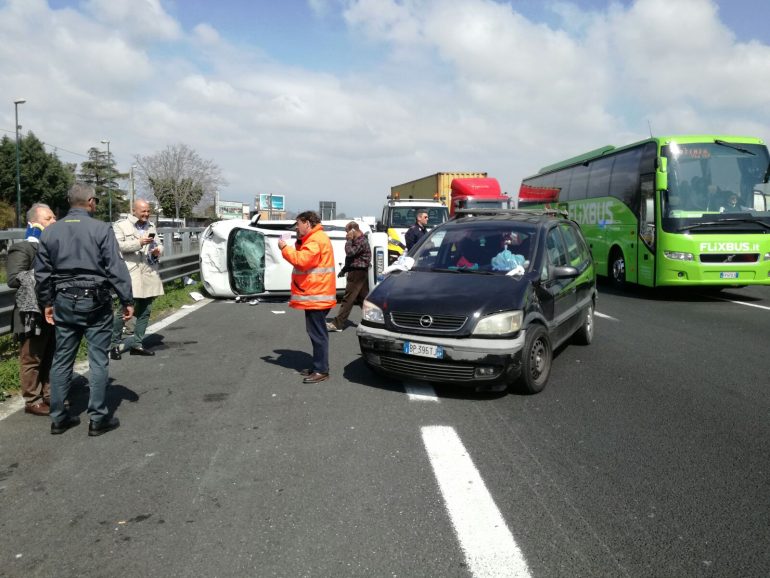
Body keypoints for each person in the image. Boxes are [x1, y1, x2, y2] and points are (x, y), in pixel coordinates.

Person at [34, 183, 134, 436]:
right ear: (91, 201)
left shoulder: (50, 232)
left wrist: (47, 302)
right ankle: (98, 419)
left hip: (64, 300)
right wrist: (127, 300)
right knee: (98, 359)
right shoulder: (101, 229)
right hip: (96, 301)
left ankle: (58, 418)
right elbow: (115, 267)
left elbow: (42, 274)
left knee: (61, 359)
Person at [6, 204, 57, 416]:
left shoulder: (53, 248)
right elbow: (13, 278)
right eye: (48, 218)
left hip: (52, 309)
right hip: (31, 312)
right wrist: (44, 275)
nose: (54, 221)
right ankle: (32, 400)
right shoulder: (24, 248)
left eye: (54, 217)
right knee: (32, 357)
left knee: (51, 355)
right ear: (35, 222)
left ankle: (50, 394)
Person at [277, 211, 336, 384]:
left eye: (298, 224)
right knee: (316, 333)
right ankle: (318, 366)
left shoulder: (316, 239)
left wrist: (284, 248)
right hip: (317, 294)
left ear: (308, 223)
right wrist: (297, 241)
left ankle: (321, 370)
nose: (297, 227)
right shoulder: (315, 238)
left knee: (317, 334)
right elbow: (305, 256)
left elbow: (302, 260)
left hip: (317, 295)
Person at [109, 199, 164, 359]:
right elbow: (118, 246)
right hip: (131, 272)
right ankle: (114, 345)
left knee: (146, 310)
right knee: (124, 310)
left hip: (148, 271)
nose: (147, 214)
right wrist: (139, 242)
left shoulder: (151, 226)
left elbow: (159, 244)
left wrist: (158, 250)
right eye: (143, 211)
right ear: (134, 210)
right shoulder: (120, 225)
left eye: (148, 211)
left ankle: (137, 344)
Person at [326, 221, 371, 332]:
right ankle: (373, 321)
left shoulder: (360, 241)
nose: (346, 235)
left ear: (352, 230)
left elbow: (350, 252)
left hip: (357, 272)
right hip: (359, 271)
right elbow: (352, 259)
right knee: (363, 299)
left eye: (347, 232)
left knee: (348, 298)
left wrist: (349, 240)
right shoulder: (360, 240)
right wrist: (344, 270)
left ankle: (338, 324)